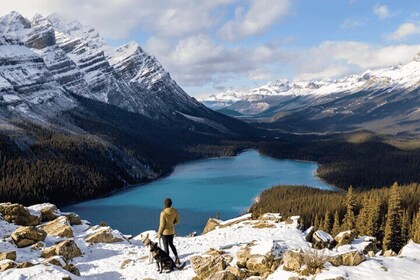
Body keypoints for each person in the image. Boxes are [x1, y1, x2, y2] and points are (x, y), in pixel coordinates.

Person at [157, 198, 180, 265]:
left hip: (165, 233)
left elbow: (162, 225)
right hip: (172, 231)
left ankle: (168, 262)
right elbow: (177, 221)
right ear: (171, 204)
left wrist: (159, 233)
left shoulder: (163, 213)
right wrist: (172, 223)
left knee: (166, 247)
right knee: (171, 244)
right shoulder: (175, 211)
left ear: (165, 204)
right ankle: (177, 257)